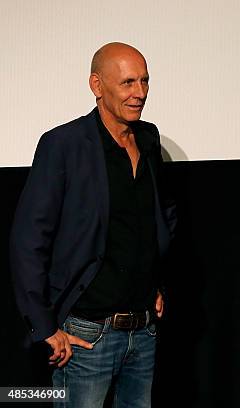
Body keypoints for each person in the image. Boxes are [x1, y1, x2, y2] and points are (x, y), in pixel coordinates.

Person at [10, 42, 176, 408]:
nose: (140, 93)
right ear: (97, 86)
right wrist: (46, 326)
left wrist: (155, 282)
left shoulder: (148, 139)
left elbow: (156, 219)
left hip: (144, 332)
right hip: (87, 335)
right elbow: (29, 240)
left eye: (145, 81)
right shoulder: (64, 144)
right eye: (128, 83)